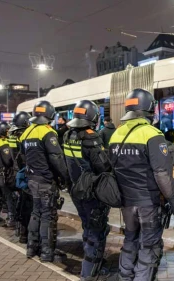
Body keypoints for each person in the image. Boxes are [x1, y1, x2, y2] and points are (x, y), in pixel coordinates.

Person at [110, 89, 174, 281]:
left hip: (126, 202)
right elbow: (162, 176)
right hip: (147, 203)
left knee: (130, 239)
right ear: (150, 109)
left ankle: (124, 276)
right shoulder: (153, 135)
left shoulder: (116, 134)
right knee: (148, 246)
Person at [64, 100, 112, 280]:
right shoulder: (91, 138)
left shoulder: (68, 135)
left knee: (87, 226)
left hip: (77, 190)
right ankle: (90, 271)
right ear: (93, 117)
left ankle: (93, 261)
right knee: (96, 230)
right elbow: (103, 166)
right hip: (91, 191)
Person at [20, 101, 69, 262]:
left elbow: (22, 157)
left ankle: (31, 247)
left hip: (32, 179)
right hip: (46, 181)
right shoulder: (48, 132)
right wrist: (65, 177)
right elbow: (57, 158)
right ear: (50, 115)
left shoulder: (26, 133)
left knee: (36, 213)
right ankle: (47, 252)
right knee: (47, 215)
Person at [10, 111, 33, 244]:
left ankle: (21, 231)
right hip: (24, 173)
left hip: (15, 172)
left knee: (21, 203)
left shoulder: (12, 135)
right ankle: (25, 234)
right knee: (27, 206)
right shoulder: (24, 136)